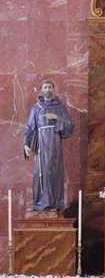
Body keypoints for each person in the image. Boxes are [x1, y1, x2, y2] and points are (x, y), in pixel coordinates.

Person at [24, 80, 75, 212]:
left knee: (54, 172)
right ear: (41, 90)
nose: (48, 89)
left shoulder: (60, 107)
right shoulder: (36, 108)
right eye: (45, 87)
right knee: (40, 173)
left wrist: (57, 118)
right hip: (41, 145)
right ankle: (40, 203)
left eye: (50, 87)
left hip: (55, 143)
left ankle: (55, 204)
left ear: (53, 89)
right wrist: (26, 144)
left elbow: (70, 125)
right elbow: (29, 128)